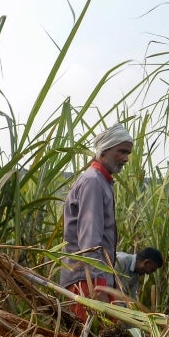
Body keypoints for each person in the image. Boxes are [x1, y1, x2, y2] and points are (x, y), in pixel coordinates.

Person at [60, 122, 133, 321]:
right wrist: (96, 285)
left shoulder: (102, 182)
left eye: (128, 153)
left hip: (95, 277)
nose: (126, 158)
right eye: (122, 152)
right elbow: (89, 240)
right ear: (105, 150)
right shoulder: (93, 181)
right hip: (86, 280)